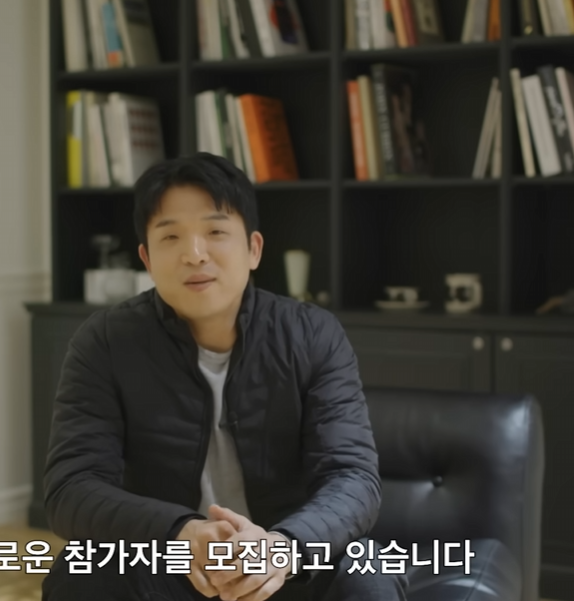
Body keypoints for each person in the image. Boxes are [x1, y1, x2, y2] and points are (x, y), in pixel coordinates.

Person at [41, 153, 407, 601]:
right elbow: (71, 488)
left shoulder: (313, 335)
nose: (195, 254)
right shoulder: (105, 342)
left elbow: (352, 477)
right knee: (79, 573)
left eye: (215, 232)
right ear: (147, 259)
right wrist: (180, 532)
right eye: (171, 236)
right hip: (169, 563)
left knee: (366, 573)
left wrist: (284, 547)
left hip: (287, 563)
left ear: (254, 249)